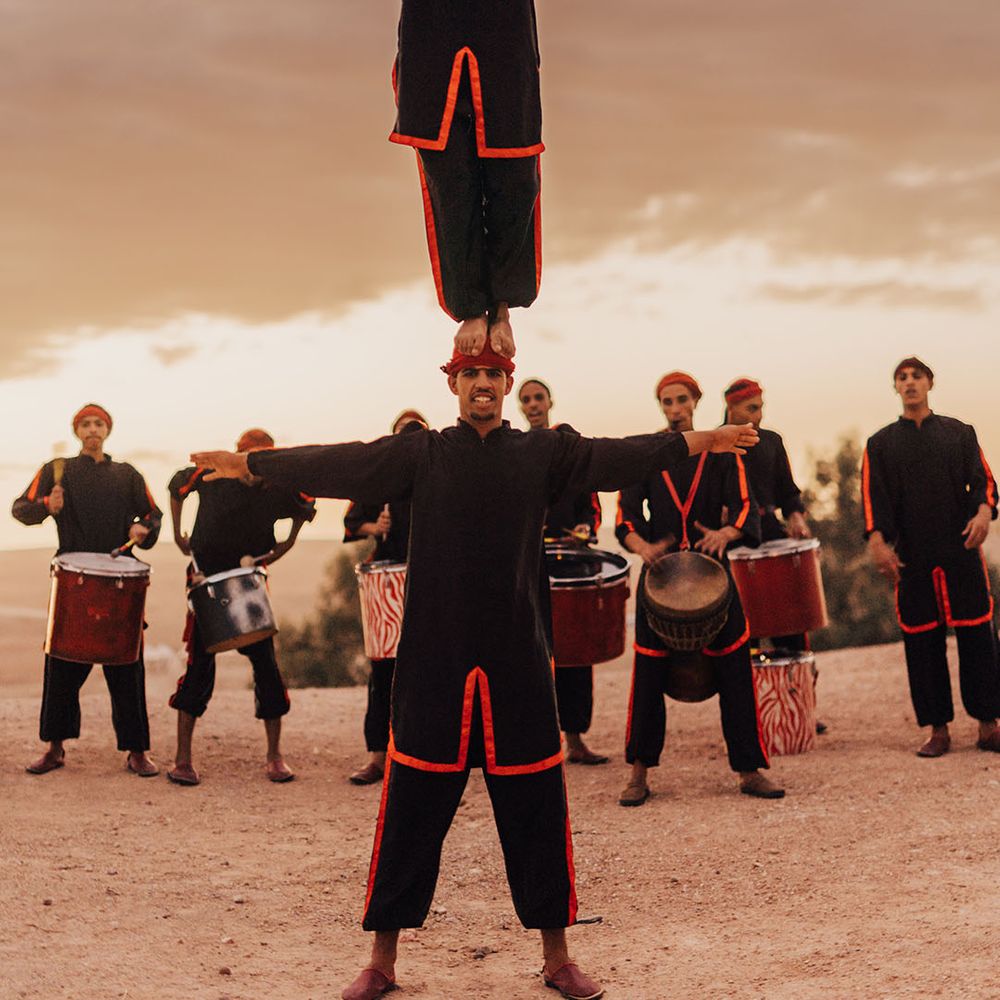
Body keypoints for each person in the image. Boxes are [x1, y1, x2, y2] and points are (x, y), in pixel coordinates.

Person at [191, 344, 758, 1000]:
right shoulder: (422, 453)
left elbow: (619, 455)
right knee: (410, 811)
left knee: (537, 810)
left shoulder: (541, 451)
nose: (482, 383)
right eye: (471, 375)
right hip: (436, 661)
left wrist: (703, 439)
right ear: (454, 384)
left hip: (518, 658)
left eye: (492, 374)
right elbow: (342, 461)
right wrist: (251, 464)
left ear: (506, 383)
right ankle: (382, 961)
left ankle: (557, 957)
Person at [615, 372, 784, 806]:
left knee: (736, 672)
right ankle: (638, 773)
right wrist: (643, 547)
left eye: (682, 400)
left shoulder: (719, 449)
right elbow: (625, 517)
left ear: (695, 401)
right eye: (667, 402)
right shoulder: (647, 452)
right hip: (661, 580)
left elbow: (745, 506)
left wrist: (725, 534)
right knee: (648, 677)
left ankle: (749, 770)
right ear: (661, 406)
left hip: (714, 576)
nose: (675, 409)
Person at [12, 403, 161, 777]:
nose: (92, 429)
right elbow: (20, 508)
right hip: (74, 580)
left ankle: (137, 751)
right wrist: (46, 504)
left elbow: (153, 515)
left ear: (107, 430)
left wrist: (143, 529)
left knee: (127, 667)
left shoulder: (127, 474)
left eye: (98, 424)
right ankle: (54, 748)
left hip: (119, 581)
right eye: (85, 424)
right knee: (62, 665)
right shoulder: (57, 470)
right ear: (77, 431)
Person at [863, 357, 1000, 758]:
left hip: (961, 549)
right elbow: (873, 498)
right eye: (902, 378)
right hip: (913, 555)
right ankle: (938, 729)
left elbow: (984, 481)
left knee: (978, 636)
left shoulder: (959, 432)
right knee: (921, 641)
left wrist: (983, 514)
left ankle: (989, 725)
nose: (910, 383)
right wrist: (877, 542)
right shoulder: (880, 443)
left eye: (916, 376)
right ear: (896, 388)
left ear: (929, 383)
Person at [391, 1, 543, 359]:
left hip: (505, 33)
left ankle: (501, 305)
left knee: (517, 179)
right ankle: (472, 307)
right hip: (433, 34)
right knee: (452, 187)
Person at [165, 428, 316, 786]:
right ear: (239, 456)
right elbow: (176, 486)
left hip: (249, 582)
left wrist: (287, 544)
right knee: (199, 667)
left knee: (266, 667)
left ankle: (275, 756)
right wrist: (177, 534)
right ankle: (183, 759)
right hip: (207, 577)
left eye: (264, 458)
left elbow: (307, 503)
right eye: (251, 457)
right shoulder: (213, 475)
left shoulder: (277, 486)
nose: (256, 466)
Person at [724, 376, 826, 733]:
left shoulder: (771, 441)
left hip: (770, 534)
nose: (759, 415)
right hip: (734, 544)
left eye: (761, 408)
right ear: (731, 407)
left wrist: (796, 516)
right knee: (743, 635)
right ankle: (750, 718)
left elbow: (788, 492)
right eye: (752, 408)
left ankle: (802, 706)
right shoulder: (716, 443)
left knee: (792, 628)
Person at [518, 378, 608, 765]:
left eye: (538, 397)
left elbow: (592, 506)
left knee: (575, 651)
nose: (533, 404)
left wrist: (586, 528)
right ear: (520, 407)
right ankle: (533, 742)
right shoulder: (516, 453)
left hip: (571, 564)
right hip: (529, 566)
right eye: (526, 399)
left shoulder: (569, 448)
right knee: (529, 652)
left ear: (549, 402)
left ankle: (575, 739)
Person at [344, 409, 428, 786]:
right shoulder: (379, 480)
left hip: (430, 578)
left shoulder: (437, 475)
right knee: (383, 672)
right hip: (389, 579)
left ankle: (426, 756)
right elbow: (350, 523)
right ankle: (378, 756)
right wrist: (373, 526)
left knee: (433, 670)